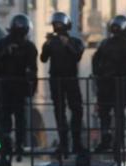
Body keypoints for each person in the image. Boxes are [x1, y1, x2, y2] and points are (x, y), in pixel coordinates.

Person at [0, 14, 37, 161]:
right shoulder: (5, 45)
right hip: (7, 86)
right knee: (8, 116)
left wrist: (31, 87)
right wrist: (5, 53)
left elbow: (32, 69)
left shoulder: (28, 47)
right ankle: (8, 142)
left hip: (16, 87)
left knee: (16, 116)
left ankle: (16, 144)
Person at [40, 12, 85, 155]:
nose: (57, 27)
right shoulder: (51, 42)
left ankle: (76, 143)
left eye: (60, 24)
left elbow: (77, 55)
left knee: (77, 110)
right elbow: (43, 58)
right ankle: (63, 143)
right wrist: (46, 45)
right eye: (55, 24)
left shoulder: (75, 42)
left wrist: (67, 45)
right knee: (59, 112)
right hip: (56, 80)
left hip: (71, 79)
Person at [92, 15, 126, 153]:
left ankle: (112, 140)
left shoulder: (107, 43)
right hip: (115, 84)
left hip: (114, 84)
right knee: (113, 114)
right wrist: (106, 75)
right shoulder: (123, 44)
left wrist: (102, 74)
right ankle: (115, 140)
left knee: (109, 114)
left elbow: (96, 61)